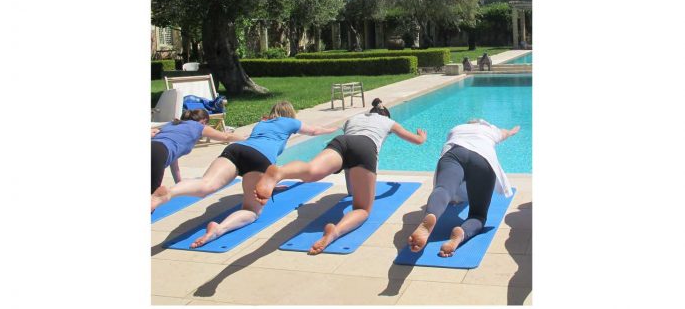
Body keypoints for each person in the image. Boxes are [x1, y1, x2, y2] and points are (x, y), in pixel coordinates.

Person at [150, 101, 338, 248]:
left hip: (237, 149)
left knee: (207, 184)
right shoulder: (290, 122)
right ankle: (220, 228)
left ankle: (168, 193)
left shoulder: (262, 123)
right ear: (290, 113)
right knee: (251, 211)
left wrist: (269, 183)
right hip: (259, 159)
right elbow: (314, 130)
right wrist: (334, 130)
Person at [254, 98, 427, 255]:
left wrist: (352, 190)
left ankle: (280, 172)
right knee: (362, 209)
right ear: (385, 115)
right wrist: (421, 136)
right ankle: (335, 232)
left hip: (342, 141)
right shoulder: (388, 121)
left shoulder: (353, 118)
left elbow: (348, 165)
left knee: (311, 170)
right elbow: (416, 141)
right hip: (365, 148)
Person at [407, 118, 520, 257]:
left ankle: (431, 215)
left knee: (443, 189)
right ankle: (461, 233)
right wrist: (511, 131)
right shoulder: (490, 130)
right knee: (478, 215)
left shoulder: (456, 129)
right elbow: (505, 133)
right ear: (482, 124)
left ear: (468, 124)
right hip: (483, 159)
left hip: (455, 154)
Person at [151, 109, 244, 195]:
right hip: (158, 152)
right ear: (203, 121)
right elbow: (226, 137)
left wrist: (179, 183)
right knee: (152, 197)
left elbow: (173, 160)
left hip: (155, 147)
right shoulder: (199, 126)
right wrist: (246, 139)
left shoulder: (173, 124)